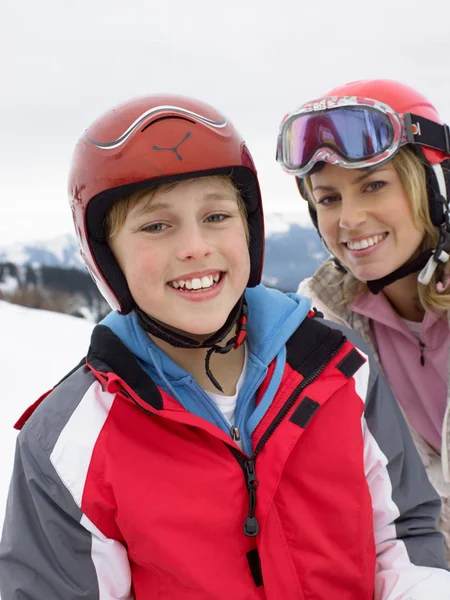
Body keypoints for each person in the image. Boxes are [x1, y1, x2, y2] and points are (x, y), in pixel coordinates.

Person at [0, 94, 449, 600]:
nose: (195, 246)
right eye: (156, 225)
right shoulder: (72, 441)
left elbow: (404, 535)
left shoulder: (337, 365)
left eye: (216, 217)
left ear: (249, 229)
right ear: (108, 258)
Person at [276, 79, 450, 562]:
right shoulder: (330, 330)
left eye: (374, 185)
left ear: (432, 188)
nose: (349, 218)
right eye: (329, 199)